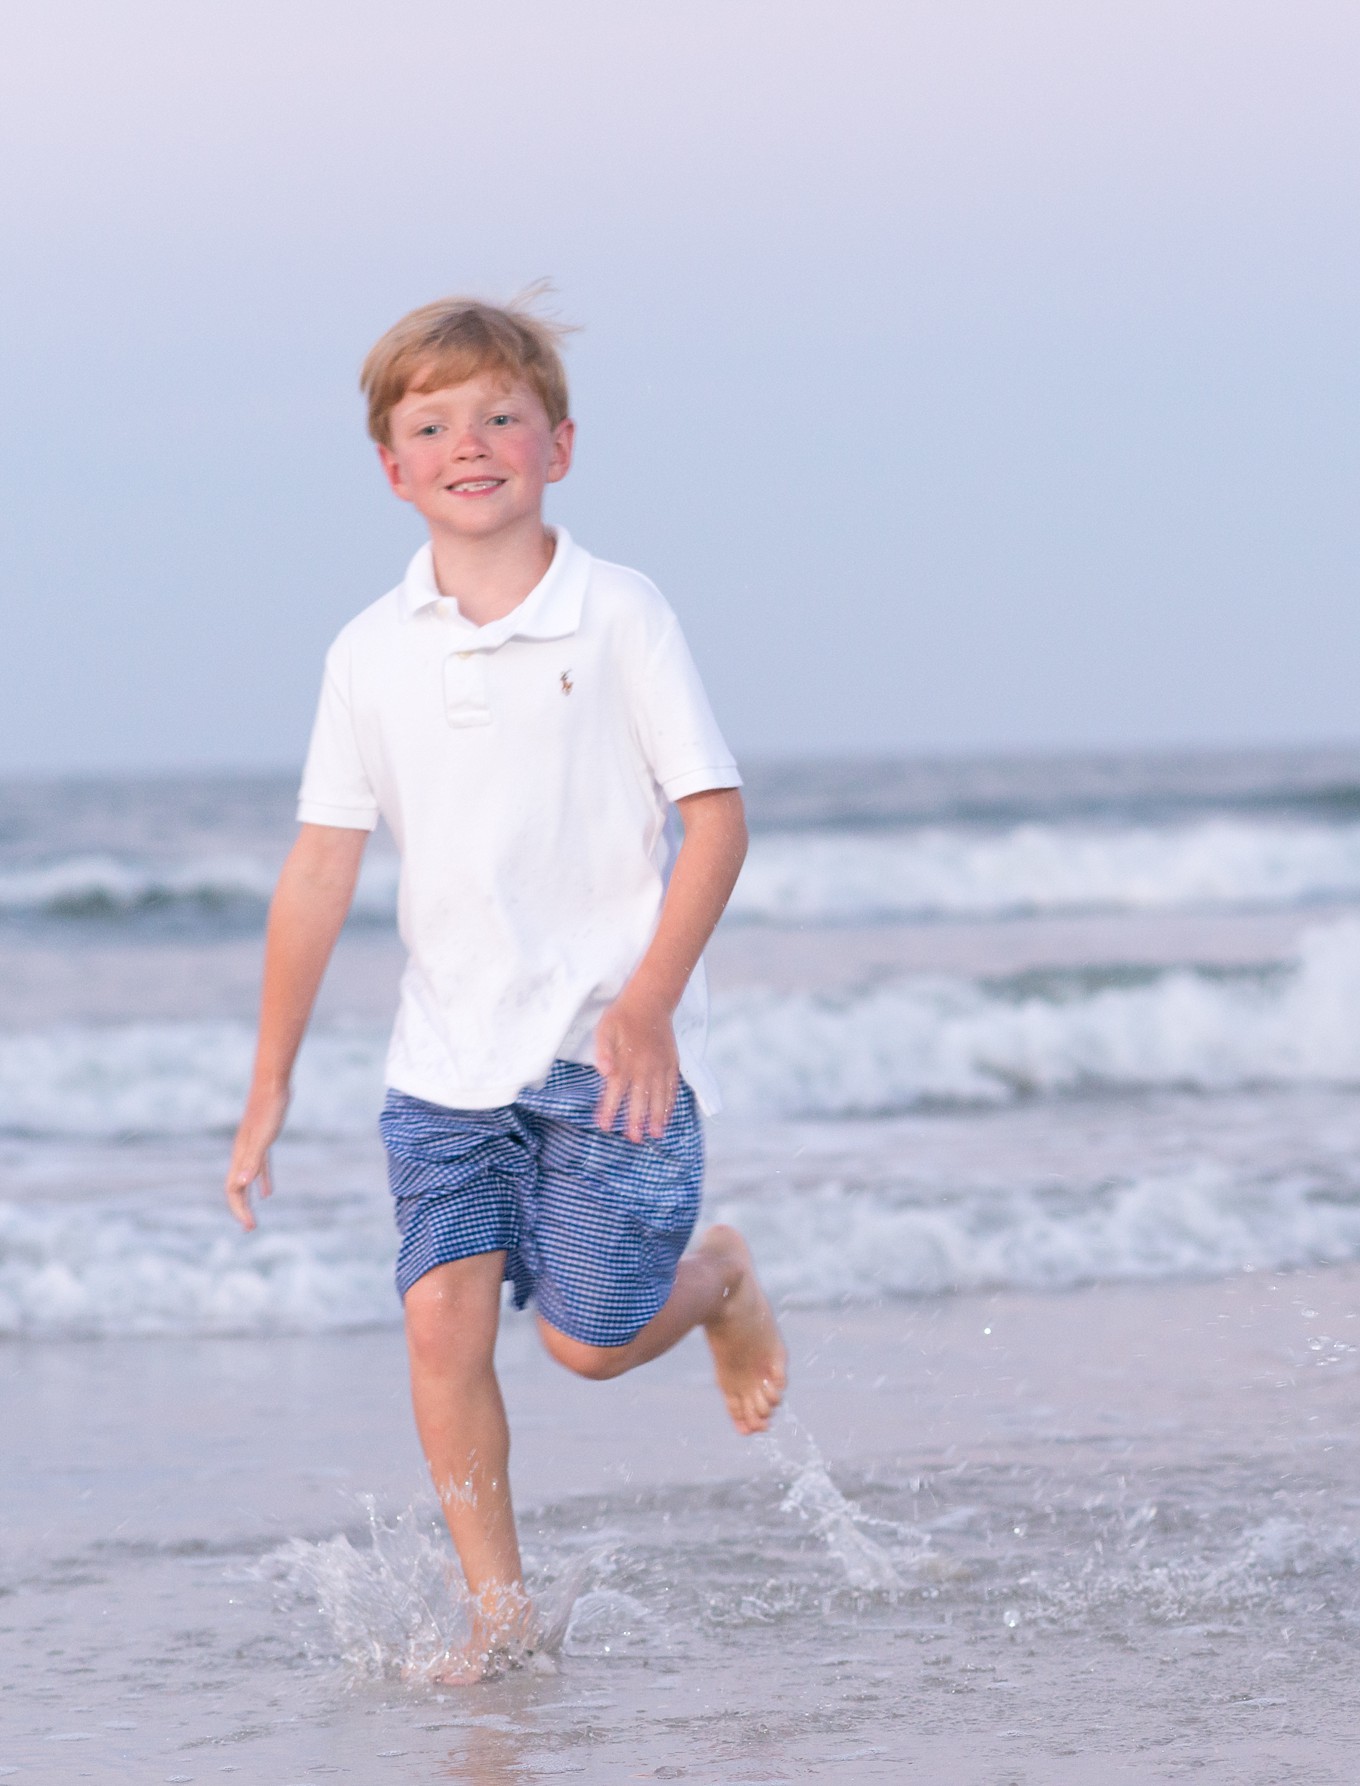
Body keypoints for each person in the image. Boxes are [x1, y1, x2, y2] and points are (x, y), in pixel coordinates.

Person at [222, 295, 788, 1681]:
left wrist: (649, 993)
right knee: (440, 1321)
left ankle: (716, 1280)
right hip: (445, 1063)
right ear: (392, 467)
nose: (467, 443)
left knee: (587, 1345)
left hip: (608, 1052)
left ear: (560, 444)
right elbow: (315, 872)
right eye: (431, 424)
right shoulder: (369, 650)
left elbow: (715, 819)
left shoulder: (622, 612)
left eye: (497, 416)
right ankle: (501, 1607)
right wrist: (268, 1082)